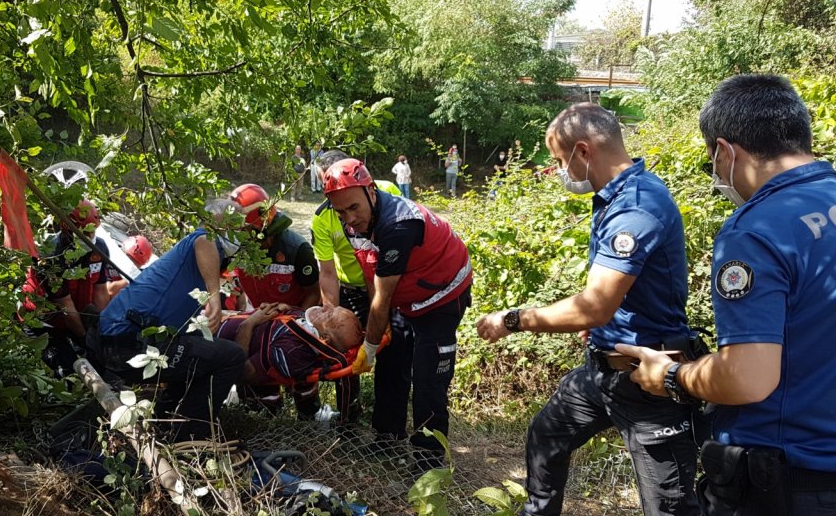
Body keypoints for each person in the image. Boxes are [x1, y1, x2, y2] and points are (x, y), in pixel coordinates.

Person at [617, 74, 836, 516]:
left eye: (712, 164)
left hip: (789, 475)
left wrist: (671, 377)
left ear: (725, 151)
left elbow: (747, 378)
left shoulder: (757, 230)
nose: (717, 175)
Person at [473, 103, 700, 516]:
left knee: (669, 506)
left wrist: (513, 319)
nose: (561, 171)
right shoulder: (613, 198)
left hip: (647, 376)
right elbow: (612, 296)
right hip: (602, 371)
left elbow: (593, 306)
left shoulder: (636, 207)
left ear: (582, 151)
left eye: (560, 160)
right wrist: (603, 321)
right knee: (547, 435)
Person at [324, 158, 473, 469]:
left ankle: (427, 460)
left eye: (354, 208)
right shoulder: (352, 222)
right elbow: (370, 273)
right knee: (391, 362)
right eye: (341, 213)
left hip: (443, 294)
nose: (350, 219)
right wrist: (379, 331)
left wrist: (368, 345)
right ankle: (386, 437)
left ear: (371, 192)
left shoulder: (398, 225)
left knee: (428, 376)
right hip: (407, 297)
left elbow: (383, 295)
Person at [94, 202, 246, 441]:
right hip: (126, 342)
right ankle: (191, 438)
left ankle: (166, 421)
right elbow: (205, 240)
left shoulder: (194, 267)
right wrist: (215, 297)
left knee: (200, 345)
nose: (240, 232)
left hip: (124, 341)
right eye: (234, 226)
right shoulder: (201, 241)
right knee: (232, 356)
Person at [311, 149, 402, 422]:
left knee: (391, 351)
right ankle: (348, 417)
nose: (328, 191)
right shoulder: (322, 217)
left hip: (388, 282)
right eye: (323, 185)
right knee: (345, 355)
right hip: (352, 289)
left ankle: (388, 423)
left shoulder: (385, 191)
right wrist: (331, 315)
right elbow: (327, 272)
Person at [19, 199, 119, 378]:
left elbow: (101, 292)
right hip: (44, 323)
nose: (90, 237)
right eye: (85, 232)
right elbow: (66, 306)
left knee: (102, 360)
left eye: (93, 230)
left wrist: (103, 330)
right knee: (68, 369)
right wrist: (85, 340)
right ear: (67, 227)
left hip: (75, 317)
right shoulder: (50, 255)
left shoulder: (99, 249)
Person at [217, 303, 364, 418]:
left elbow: (242, 373)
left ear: (324, 338)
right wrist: (284, 309)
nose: (325, 306)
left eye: (329, 314)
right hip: (220, 320)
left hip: (210, 342)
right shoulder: (307, 330)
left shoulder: (292, 353)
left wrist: (248, 325)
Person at [229, 183, 320, 310]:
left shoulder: (297, 250)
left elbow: (314, 294)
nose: (237, 234)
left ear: (260, 225)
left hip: (290, 319)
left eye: (243, 229)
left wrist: (296, 319)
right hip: (255, 315)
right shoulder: (234, 246)